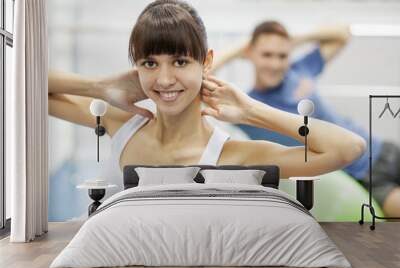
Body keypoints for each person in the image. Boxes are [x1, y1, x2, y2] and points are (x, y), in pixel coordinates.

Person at [48, 0, 365, 198]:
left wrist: (250, 111)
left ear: (207, 63)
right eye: (150, 63)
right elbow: (30, 84)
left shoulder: (235, 155)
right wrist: (100, 87)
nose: (165, 79)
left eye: (180, 62)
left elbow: (349, 148)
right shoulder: (123, 125)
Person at [211, 20, 400, 217]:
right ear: (250, 53)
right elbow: (204, 76)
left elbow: (342, 34)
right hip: (364, 176)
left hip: (382, 149)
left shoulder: (299, 70)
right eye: (267, 55)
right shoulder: (247, 108)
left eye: (282, 56)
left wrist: (296, 40)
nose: (275, 64)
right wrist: (239, 49)